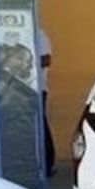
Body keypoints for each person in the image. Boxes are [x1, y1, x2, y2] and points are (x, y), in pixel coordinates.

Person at [39, 25, 56, 179]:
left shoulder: (40, 33)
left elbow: (46, 59)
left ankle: (49, 163)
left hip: (38, 87)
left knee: (40, 124)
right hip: (15, 89)